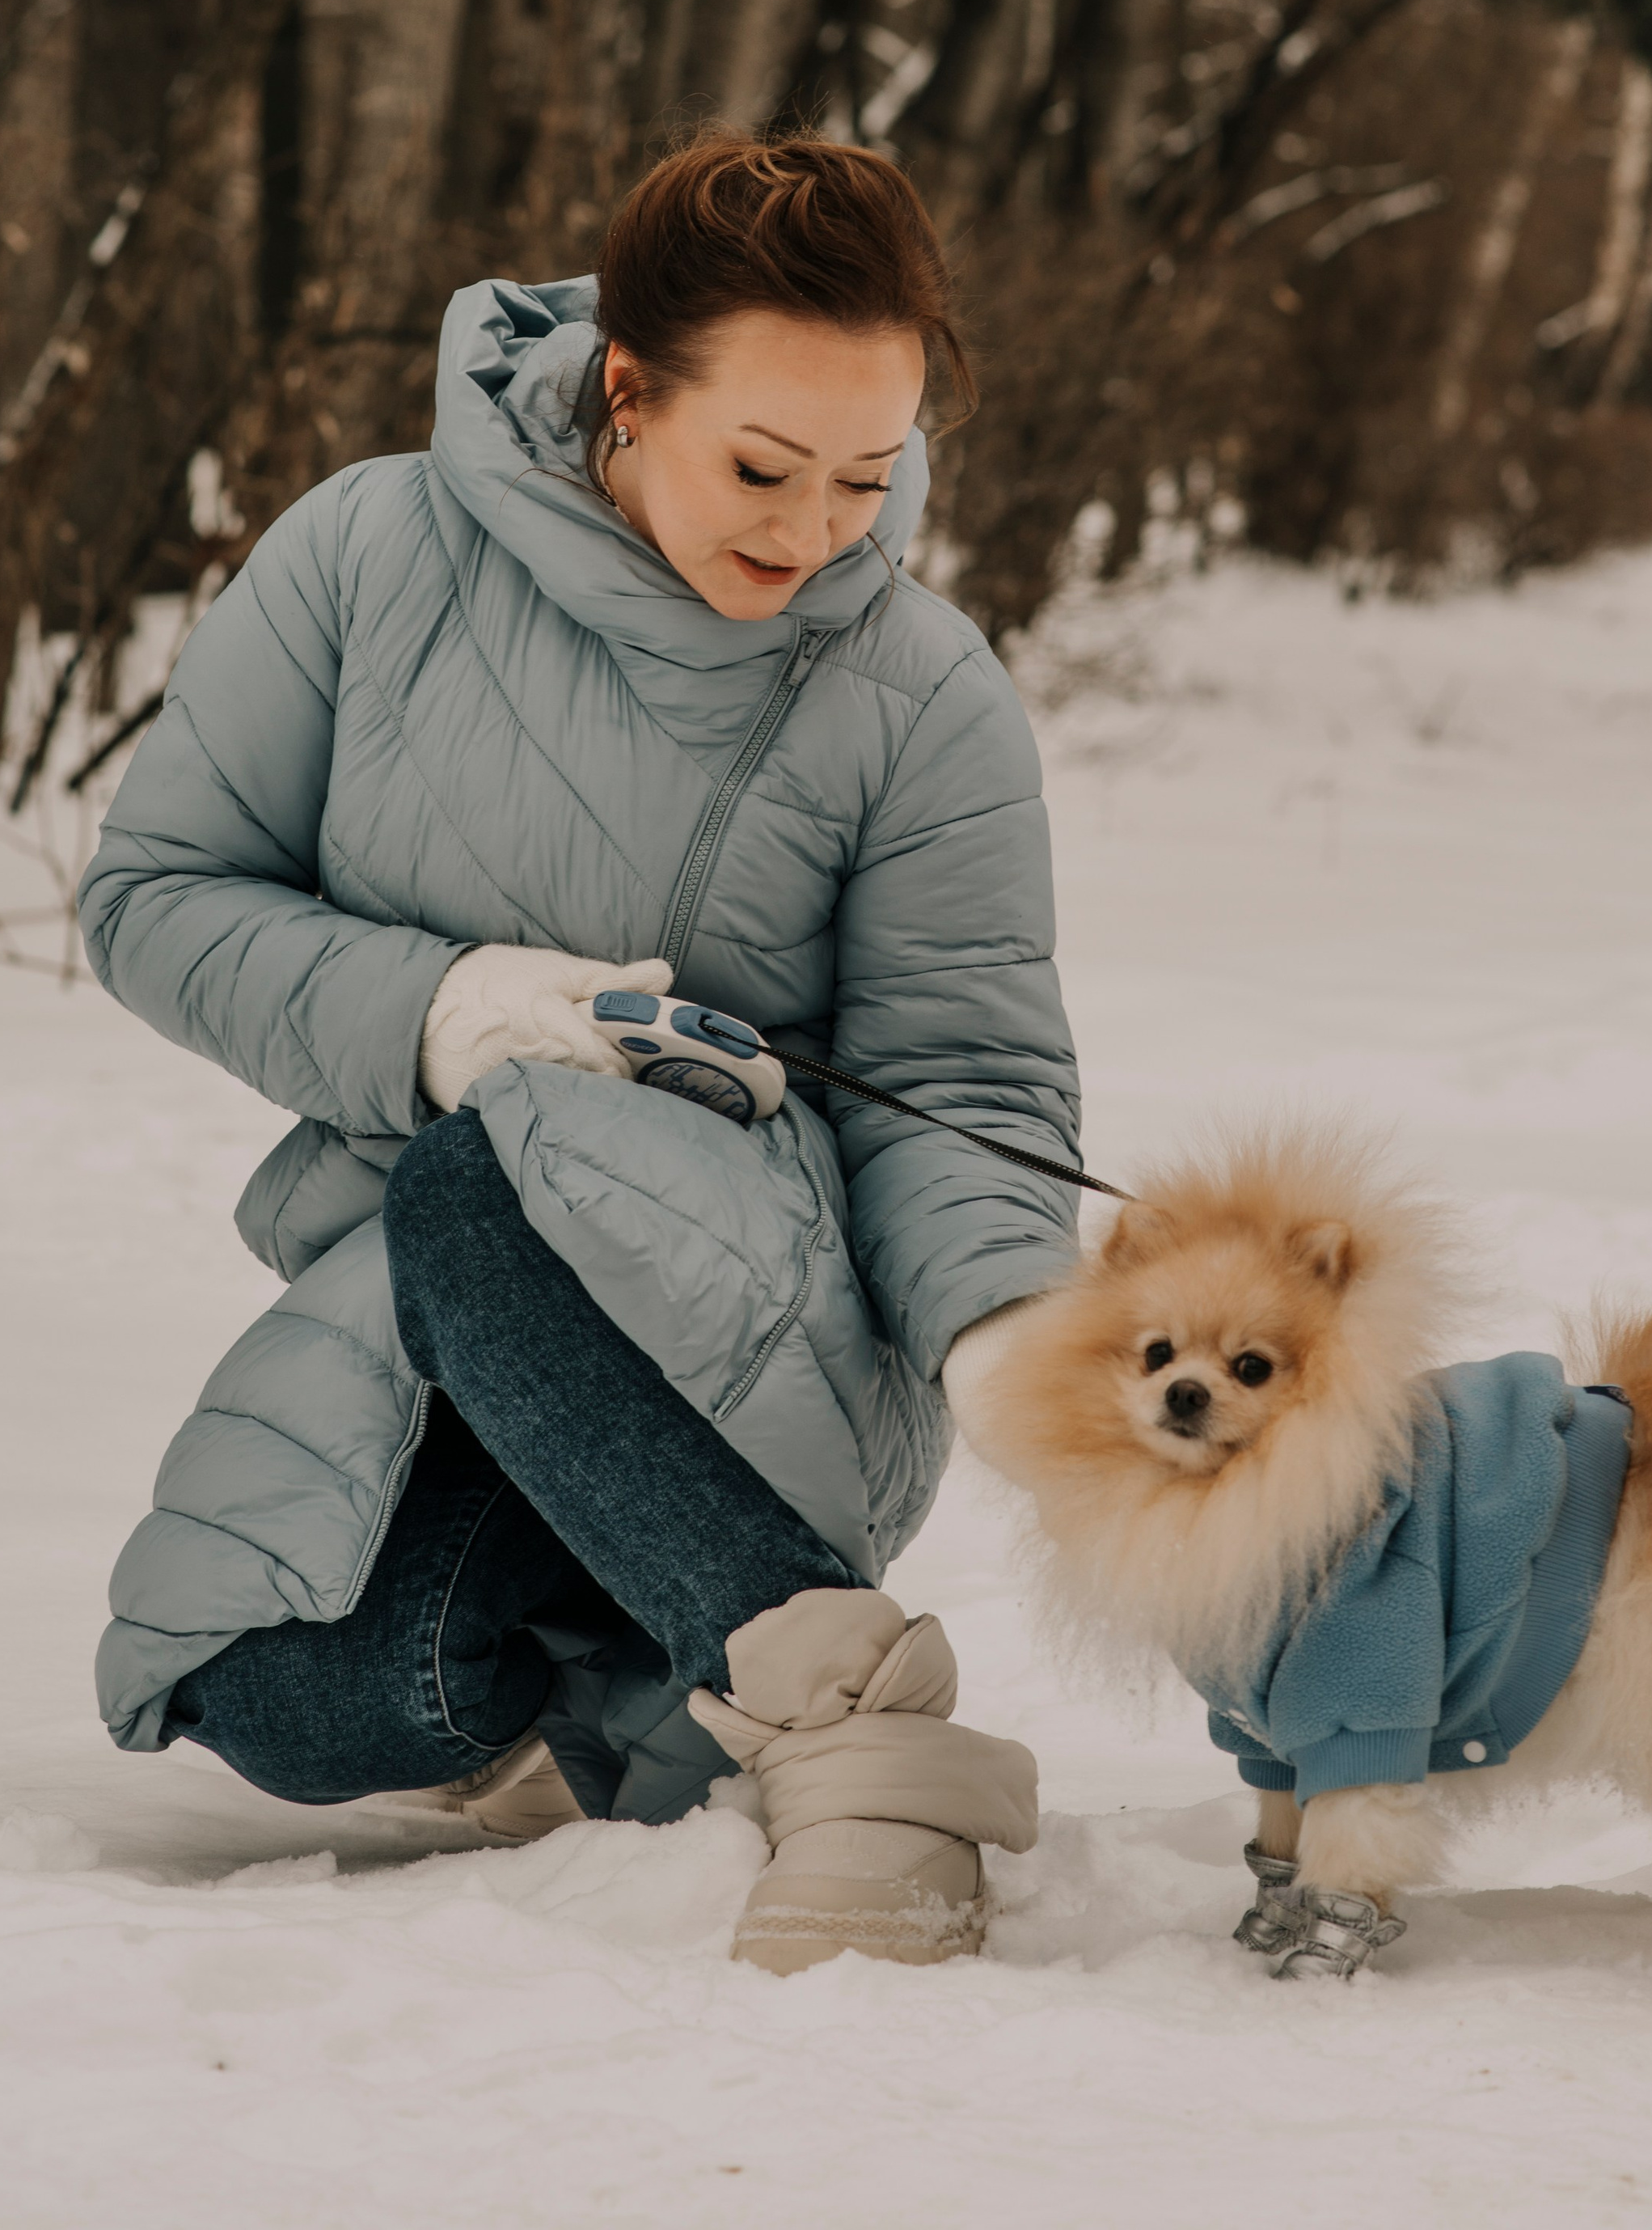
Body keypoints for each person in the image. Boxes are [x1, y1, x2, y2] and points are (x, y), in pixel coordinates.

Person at [78, 129, 1080, 1973]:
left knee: (503, 1154)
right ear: (625, 389)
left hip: (756, 1351)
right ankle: (645, 1671)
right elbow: (152, 892)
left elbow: (970, 1081)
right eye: (761, 466)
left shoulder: (917, 690)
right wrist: (441, 1012)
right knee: (285, 1705)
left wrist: (1007, 1326)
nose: (809, 532)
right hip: (423, 1312)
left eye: (867, 476)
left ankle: (855, 1718)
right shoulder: (369, 551)